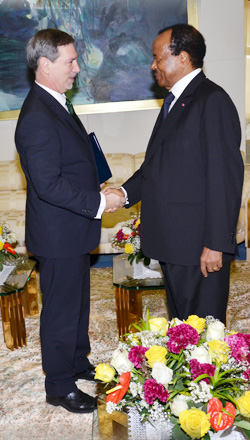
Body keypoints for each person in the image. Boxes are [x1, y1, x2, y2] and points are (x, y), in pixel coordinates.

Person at [14, 29, 124, 414]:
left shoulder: (57, 102)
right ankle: (58, 384)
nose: (78, 68)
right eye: (70, 61)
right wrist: (97, 202)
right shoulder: (37, 116)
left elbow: (70, 162)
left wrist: (95, 182)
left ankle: (78, 362)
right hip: (59, 232)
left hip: (72, 229)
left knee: (76, 304)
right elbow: (48, 185)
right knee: (60, 310)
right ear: (45, 65)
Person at [105, 24, 243, 323]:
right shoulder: (175, 101)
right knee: (183, 326)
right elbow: (156, 166)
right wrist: (123, 194)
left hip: (199, 245)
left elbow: (225, 178)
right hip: (177, 243)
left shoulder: (211, 101)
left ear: (182, 58)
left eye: (157, 57)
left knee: (205, 333)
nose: (153, 65)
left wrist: (217, 243)